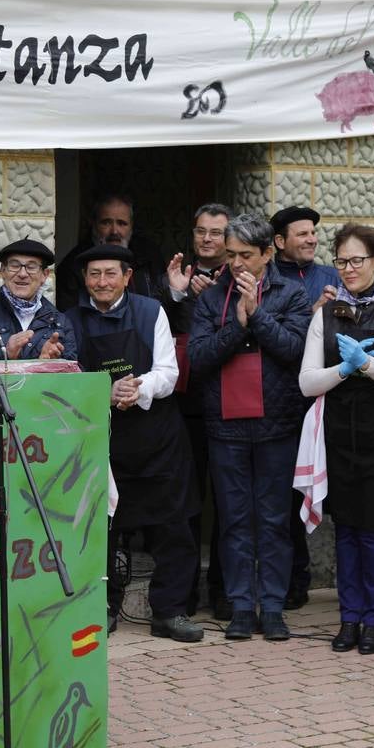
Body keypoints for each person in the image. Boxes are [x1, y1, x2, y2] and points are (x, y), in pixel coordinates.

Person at [66, 245, 203, 642]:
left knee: (173, 525)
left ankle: (170, 611)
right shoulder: (71, 320)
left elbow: (168, 371)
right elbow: (69, 377)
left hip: (156, 434)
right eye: (94, 274)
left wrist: (136, 388)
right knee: (100, 530)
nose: (102, 282)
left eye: (110, 273)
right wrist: (103, 393)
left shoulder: (150, 311)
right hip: (101, 438)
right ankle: (102, 608)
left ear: (127, 276)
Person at [188, 214, 312, 641]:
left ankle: (273, 606)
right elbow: (198, 358)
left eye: (245, 255)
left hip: (277, 424)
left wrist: (257, 316)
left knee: (276, 520)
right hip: (225, 426)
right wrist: (236, 326)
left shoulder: (292, 293)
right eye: (230, 255)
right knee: (235, 520)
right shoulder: (210, 298)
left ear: (266, 253)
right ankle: (242, 605)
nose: (236, 263)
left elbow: (295, 350)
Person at [299, 225, 374, 654]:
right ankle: (348, 618)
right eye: (342, 261)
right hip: (339, 433)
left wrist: (365, 363)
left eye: (357, 261)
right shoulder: (325, 314)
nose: (348, 269)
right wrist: (343, 370)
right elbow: (308, 382)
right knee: (345, 528)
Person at [162, 203, 233, 618]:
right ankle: (183, 592)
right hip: (185, 403)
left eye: (217, 232)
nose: (207, 239)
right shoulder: (177, 273)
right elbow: (156, 323)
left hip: (227, 399)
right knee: (186, 501)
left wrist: (217, 298)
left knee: (226, 501)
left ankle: (223, 590)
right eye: (201, 231)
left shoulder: (242, 276)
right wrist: (175, 292)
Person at [269, 205, 340, 609]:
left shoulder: (331, 277)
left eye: (314, 233)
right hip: (286, 402)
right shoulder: (272, 280)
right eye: (302, 234)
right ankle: (296, 580)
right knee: (290, 494)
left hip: (330, 398)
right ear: (279, 242)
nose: (312, 239)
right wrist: (309, 319)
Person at [57, 194, 164, 308]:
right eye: (106, 222)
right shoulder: (74, 264)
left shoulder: (149, 255)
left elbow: (163, 303)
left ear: (131, 226)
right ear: (93, 224)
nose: (114, 231)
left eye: (121, 223)